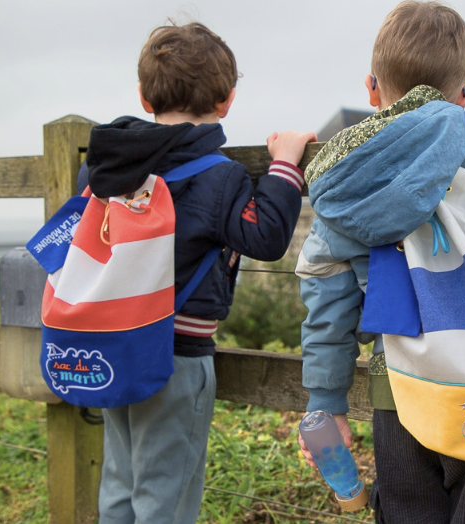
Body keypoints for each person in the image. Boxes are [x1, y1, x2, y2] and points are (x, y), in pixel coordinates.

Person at [295, 2, 465, 522]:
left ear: (371, 89)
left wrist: (326, 401)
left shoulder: (344, 178)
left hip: (403, 392)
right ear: (464, 94)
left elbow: (326, 300)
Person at [82, 20, 315, 524]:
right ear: (226, 101)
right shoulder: (219, 174)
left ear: (144, 97)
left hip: (111, 343)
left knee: (120, 483)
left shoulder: (104, 169)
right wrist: (285, 164)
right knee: (165, 496)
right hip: (176, 355)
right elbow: (265, 236)